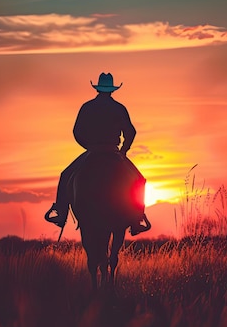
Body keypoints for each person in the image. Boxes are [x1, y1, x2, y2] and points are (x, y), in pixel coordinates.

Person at [44, 73, 151, 236]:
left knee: (66, 175)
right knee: (139, 180)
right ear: (112, 90)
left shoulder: (87, 107)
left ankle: (60, 212)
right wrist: (123, 150)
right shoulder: (119, 108)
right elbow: (131, 131)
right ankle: (137, 219)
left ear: (98, 88)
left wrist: (88, 146)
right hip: (114, 152)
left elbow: (77, 132)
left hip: (92, 151)